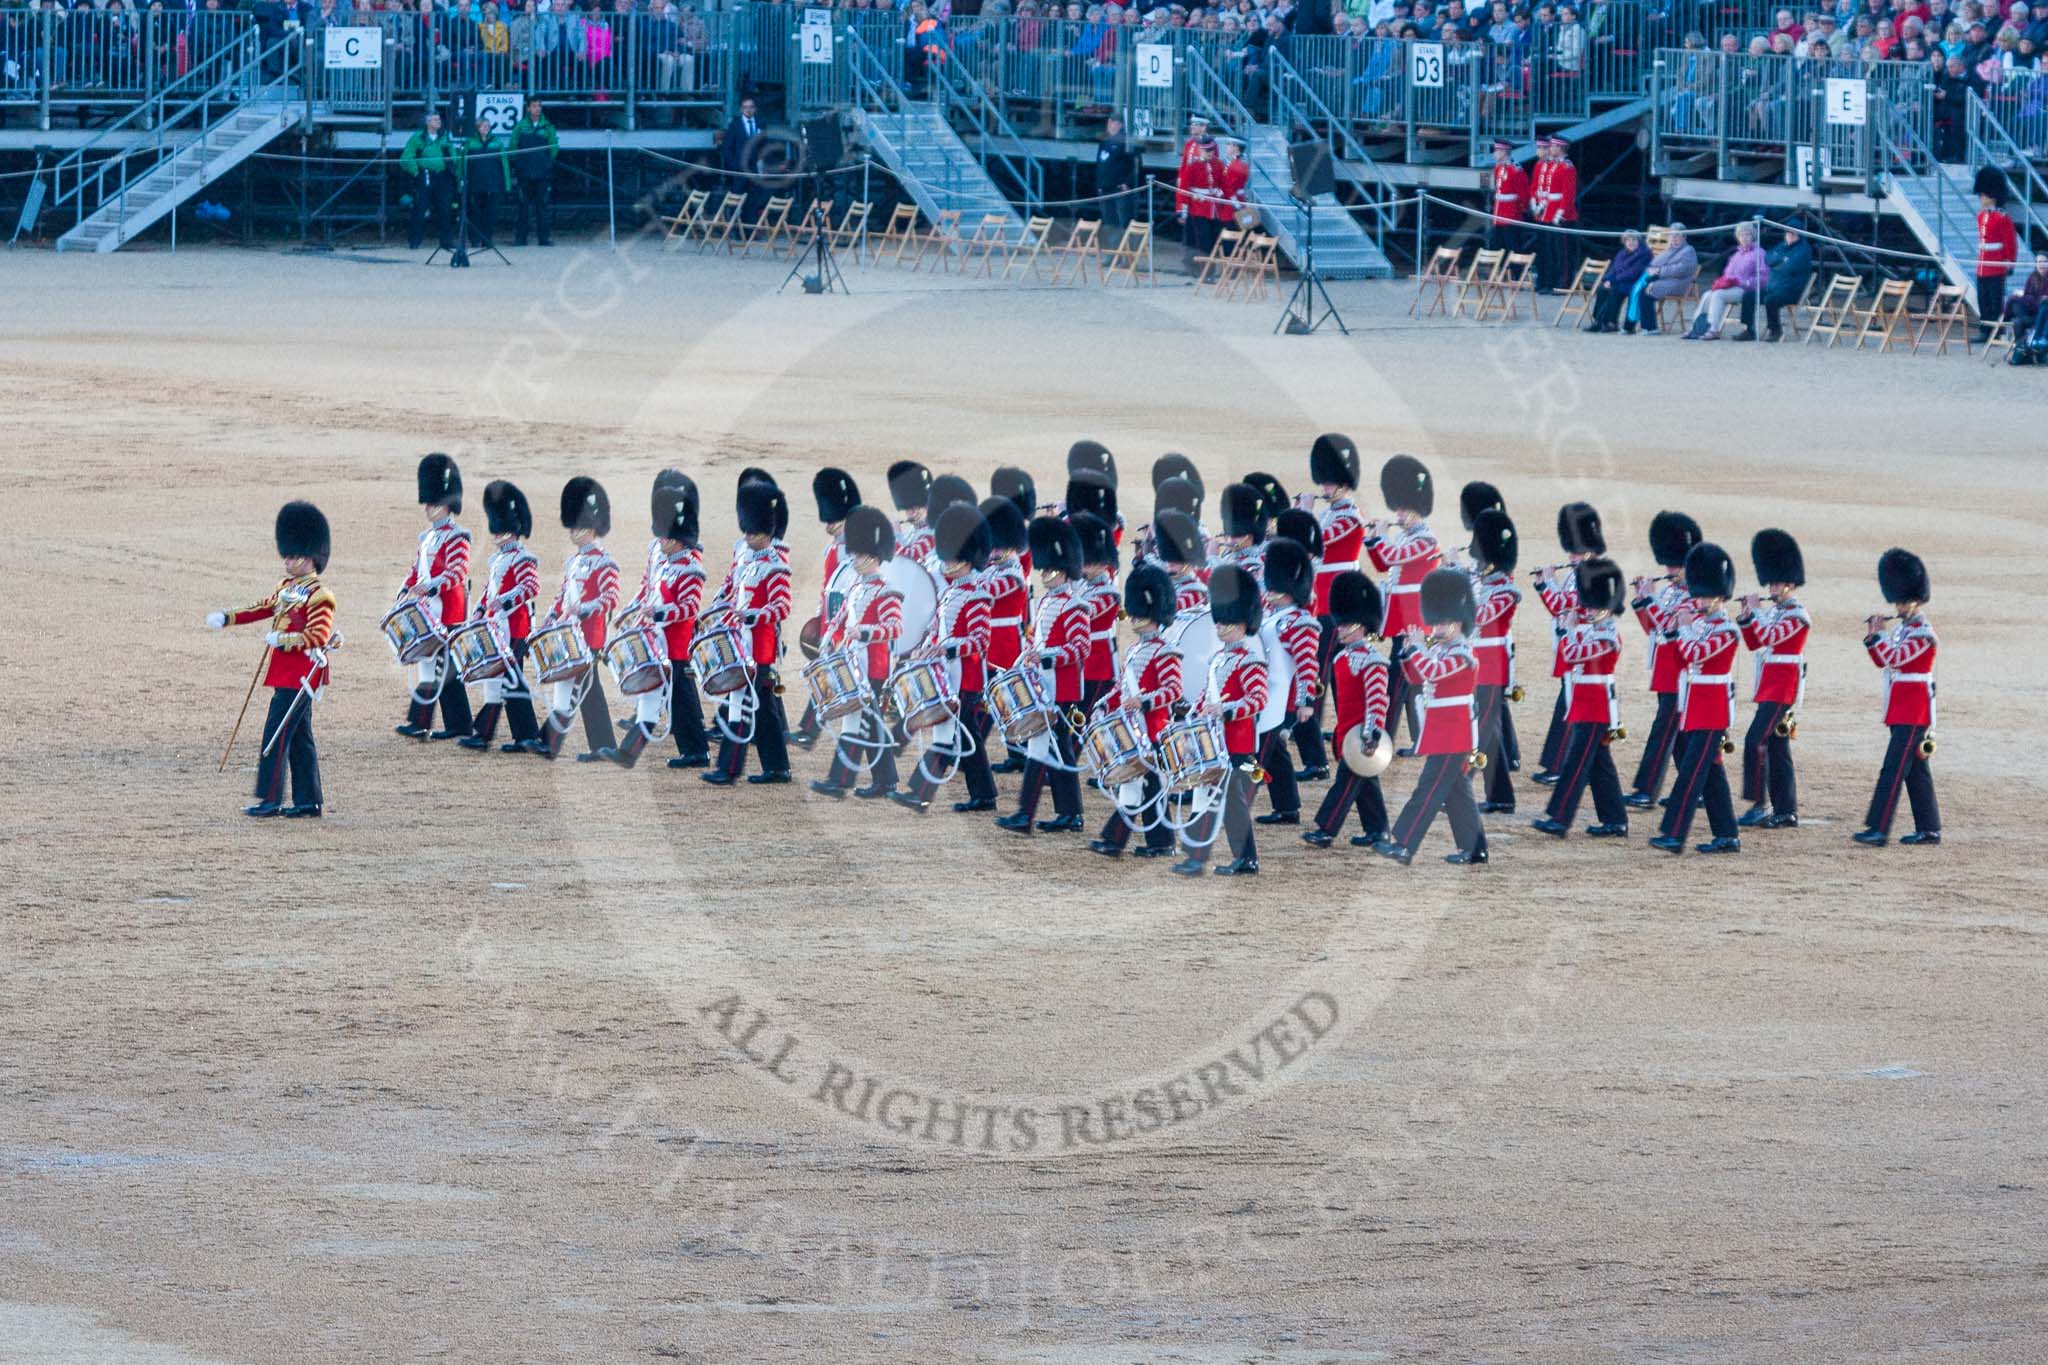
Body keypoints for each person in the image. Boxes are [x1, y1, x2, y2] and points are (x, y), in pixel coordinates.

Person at [206, 503, 335, 819]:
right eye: (287, 555)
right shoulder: (286, 588)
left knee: (275, 735)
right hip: (286, 674)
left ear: (310, 556)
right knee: (300, 737)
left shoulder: (320, 595)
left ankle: (271, 798)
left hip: (304, 674)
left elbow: (318, 636)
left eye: (294, 556)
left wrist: (285, 640)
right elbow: (262, 608)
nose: (288, 561)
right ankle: (308, 801)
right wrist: (228, 618)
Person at [1378, 569, 1489, 865]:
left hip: (1454, 732)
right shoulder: (1441, 649)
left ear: (1457, 622)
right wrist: (1406, 654)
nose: (1436, 629)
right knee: (1457, 793)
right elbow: (1418, 678)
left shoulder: (1463, 653)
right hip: (1442, 728)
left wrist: (1417, 649)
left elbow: (1433, 673)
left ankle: (1403, 843)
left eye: (1442, 624)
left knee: (1427, 790)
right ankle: (1475, 848)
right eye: (1435, 623)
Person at [896, 502, 998, 814]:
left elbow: (981, 641)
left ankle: (927, 792)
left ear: (967, 560)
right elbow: (938, 630)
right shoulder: (950, 593)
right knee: (960, 734)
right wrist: (924, 647)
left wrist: (947, 648)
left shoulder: (977, 595)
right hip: (946, 674)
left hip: (966, 676)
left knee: (960, 733)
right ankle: (979, 795)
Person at [599, 483, 704, 769]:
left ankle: (696, 752)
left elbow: (690, 608)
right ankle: (630, 753)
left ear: (678, 538)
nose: (660, 540)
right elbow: (649, 593)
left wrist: (657, 613)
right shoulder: (665, 563)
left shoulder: (691, 568)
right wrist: (631, 611)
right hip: (657, 640)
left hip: (677, 643)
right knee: (656, 697)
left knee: (682, 702)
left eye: (665, 536)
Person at [1173, 564, 1269, 877]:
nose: (1221, 627)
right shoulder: (1219, 658)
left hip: (1237, 744)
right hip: (1214, 742)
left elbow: (1258, 700)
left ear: (1243, 623)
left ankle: (1247, 859)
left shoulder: (1251, 660)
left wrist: (1226, 710)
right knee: (1204, 796)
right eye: (1220, 621)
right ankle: (1196, 856)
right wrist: (1192, 713)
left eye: (1228, 622)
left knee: (1232, 804)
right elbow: (1205, 696)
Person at [997, 517, 1091, 835]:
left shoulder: (1075, 606)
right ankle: (1071, 813)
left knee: (1041, 747)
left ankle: (1025, 814)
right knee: (1059, 748)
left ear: (1063, 569)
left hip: (1062, 688)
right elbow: (1037, 640)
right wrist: (1027, 657)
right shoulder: (1046, 601)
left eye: (1050, 569)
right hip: (1043, 684)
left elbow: (1080, 649)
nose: (1044, 573)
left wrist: (1046, 656)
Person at [1649, 542, 1742, 855]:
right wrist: (1676, 629)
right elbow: (1678, 659)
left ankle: (1675, 834)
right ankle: (1727, 835)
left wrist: (1685, 630)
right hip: (1696, 705)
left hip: (1712, 708)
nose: (1697, 600)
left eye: (1702, 596)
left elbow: (1695, 653)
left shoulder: (1727, 629)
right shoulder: (1702, 623)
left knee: (1691, 773)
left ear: (1718, 596)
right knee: (1712, 772)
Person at [1086, 564, 1183, 859]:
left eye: (1141, 612)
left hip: (1153, 727)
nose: (1135, 617)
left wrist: (1145, 702)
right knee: (1148, 787)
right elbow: (1122, 688)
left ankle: (1117, 839)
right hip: (1133, 727)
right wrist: (1105, 703)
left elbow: (1173, 690)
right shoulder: (1133, 651)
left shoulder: (1165, 651)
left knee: (1139, 784)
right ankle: (1161, 842)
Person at [1531, 557, 1630, 839]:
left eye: (1596, 604)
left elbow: (1572, 654)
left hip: (1596, 704)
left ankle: (1560, 818)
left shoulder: (1609, 635)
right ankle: (1615, 820)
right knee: (1599, 763)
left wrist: (1567, 629)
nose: (1590, 609)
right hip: (1585, 700)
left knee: (1576, 762)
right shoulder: (1595, 627)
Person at [702, 480, 793, 785]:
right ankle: (777, 768)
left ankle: (728, 770)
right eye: (747, 531)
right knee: (763, 710)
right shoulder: (745, 562)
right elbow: (731, 594)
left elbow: (782, 607)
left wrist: (752, 615)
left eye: (753, 532)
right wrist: (716, 612)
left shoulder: (776, 566)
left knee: (740, 704)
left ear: (767, 533)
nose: (748, 537)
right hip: (742, 644)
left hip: (760, 647)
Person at [813, 505, 905, 800]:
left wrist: (864, 633)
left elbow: (894, 628)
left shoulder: (886, 590)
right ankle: (849, 780)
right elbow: (842, 615)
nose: (854, 558)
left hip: (874, 664)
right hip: (854, 661)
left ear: (874, 557)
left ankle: (860, 780)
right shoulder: (856, 585)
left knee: (867, 722)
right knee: (859, 721)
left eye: (860, 554)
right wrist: (829, 637)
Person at [526, 477, 619, 761]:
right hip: (568, 633)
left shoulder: (605, 563)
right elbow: (563, 596)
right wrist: (551, 616)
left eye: (577, 527)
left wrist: (585, 609)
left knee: (585, 691)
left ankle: (592, 745)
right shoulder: (574, 562)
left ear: (591, 529)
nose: (573, 532)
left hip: (589, 636)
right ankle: (559, 743)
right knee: (573, 688)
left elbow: (610, 598)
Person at [1854, 550, 1941, 847]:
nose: (1900, 606)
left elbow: (1894, 658)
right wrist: (1873, 637)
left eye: (1904, 601)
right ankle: (1929, 828)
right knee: (1916, 770)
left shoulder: (1923, 633)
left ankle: (1879, 828)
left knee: (1893, 769)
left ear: (1916, 600)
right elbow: (1883, 661)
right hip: (1901, 706)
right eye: (1898, 601)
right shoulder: (1904, 629)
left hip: (1914, 709)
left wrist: (1879, 636)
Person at [1303, 572, 1389, 850]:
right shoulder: (1342, 657)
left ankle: (1326, 828)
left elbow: (1377, 701)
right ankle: (1377, 830)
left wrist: (1372, 733)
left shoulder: (1372, 660)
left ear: (1361, 626)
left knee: (1346, 784)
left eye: (1345, 624)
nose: (1338, 629)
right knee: (1366, 785)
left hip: (1362, 735)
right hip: (1347, 732)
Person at [459, 479, 544, 754]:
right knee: (498, 679)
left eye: (501, 528)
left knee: (510, 680)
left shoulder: (522, 558)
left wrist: (503, 601)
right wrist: (481, 609)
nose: (496, 534)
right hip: (498, 626)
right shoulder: (497, 559)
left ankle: (523, 735)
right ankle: (491, 734)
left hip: (516, 628)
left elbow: (531, 587)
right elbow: (489, 590)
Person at [394, 453, 474, 741]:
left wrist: (428, 588)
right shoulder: (427, 538)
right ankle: (457, 724)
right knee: (440, 668)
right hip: (430, 608)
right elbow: (417, 570)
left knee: (438, 667)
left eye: (434, 503)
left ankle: (424, 722)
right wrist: (405, 590)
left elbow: (457, 572)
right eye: (428, 502)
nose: (428, 508)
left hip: (448, 610)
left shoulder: (457, 537)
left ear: (447, 505)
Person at [1624, 510, 1701, 809]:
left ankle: (1646, 789)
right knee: (1681, 736)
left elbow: (1670, 629)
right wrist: (1642, 602)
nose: (1670, 570)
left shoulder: (1694, 595)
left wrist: (1649, 600)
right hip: (1664, 669)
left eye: (1676, 565)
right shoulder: (1670, 591)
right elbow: (1652, 629)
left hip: (1680, 672)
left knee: (1663, 732)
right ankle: (1696, 788)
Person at [1364, 454, 1441, 749]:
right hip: (1400, 614)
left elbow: (1392, 558)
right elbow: (1384, 566)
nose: (1398, 515)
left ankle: (1386, 735)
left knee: (1399, 679)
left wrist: (1381, 537)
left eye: (1402, 510)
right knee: (1409, 682)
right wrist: (1371, 539)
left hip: (1415, 618)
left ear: (1416, 510)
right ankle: (1420, 736)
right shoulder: (1407, 536)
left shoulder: (1426, 541)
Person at [1735, 529, 1809, 830]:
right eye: (1771, 582)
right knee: (1778, 747)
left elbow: (1768, 635)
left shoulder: (1797, 614)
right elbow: (1756, 642)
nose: (1772, 586)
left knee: (1755, 740)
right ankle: (1785, 810)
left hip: (1784, 685)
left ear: (1790, 584)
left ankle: (1759, 804)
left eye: (1777, 582)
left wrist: (1756, 613)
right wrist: (1746, 617)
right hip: (1770, 682)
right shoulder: (1777, 611)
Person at [1533, 501, 1603, 783]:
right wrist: (1546, 582)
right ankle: (1558, 763)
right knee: (1568, 701)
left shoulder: (1589, 574)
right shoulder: (1581, 572)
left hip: (1582, 646)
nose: (1572, 556)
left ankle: (1560, 765)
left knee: (1571, 703)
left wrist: (1547, 582)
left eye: (1577, 551)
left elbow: (1562, 607)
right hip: (1573, 641)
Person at [1254, 538, 1321, 827]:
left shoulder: (1299, 621)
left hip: (1279, 697)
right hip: (1263, 693)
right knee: (1274, 754)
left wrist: (1306, 702)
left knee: (1259, 750)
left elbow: (1308, 664)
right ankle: (1287, 807)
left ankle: (1237, 800)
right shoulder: (1273, 616)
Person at [794, 467, 860, 750]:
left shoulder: (859, 547)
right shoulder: (833, 549)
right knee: (826, 669)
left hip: (851, 621)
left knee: (845, 678)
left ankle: (810, 730)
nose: (829, 526)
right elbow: (828, 587)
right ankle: (809, 729)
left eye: (834, 520)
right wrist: (823, 617)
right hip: (834, 619)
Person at [1467, 507, 1521, 813]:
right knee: (1488, 731)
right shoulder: (1482, 583)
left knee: (1485, 729)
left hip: (1493, 665)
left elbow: (1478, 617)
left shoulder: (1506, 592)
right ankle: (1501, 797)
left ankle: (1463, 787)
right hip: (1478, 664)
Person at [977, 492, 1032, 784]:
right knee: (994, 698)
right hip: (990, 640)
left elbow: (986, 593)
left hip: (1007, 642)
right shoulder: (992, 567)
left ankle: (1015, 750)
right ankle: (1013, 751)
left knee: (1003, 698)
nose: (993, 551)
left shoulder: (1013, 574)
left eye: (998, 546)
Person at [1684, 221, 1769, 340]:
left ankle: (1713, 329)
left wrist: (1744, 282)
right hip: (1731, 287)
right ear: (1738, 237)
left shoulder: (1759, 253)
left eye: (1747, 235)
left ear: (1753, 236)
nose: (1744, 238)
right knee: (1708, 294)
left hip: (1746, 289)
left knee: (1718, 295)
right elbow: (1727, 273)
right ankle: (1696, 327)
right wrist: (1725, 281)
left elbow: (1764, 278)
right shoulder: (1736, 255)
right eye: (1741, 235)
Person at [1527, 135, 1578, 293]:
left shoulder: (1567, 167)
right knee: (1545, 250)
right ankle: (1546, 281)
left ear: (1560, 148)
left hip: (1560, 216)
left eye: (1553, 146)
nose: (1550, 149)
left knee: (1560, 254)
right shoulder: (1549, 165)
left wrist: (1559, 215)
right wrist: (1537, 205)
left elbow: (1568, 194)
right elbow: (1541, 189)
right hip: (1545, 212)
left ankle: (1560, 284)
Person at [401, 112, 457, 251]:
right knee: (420, 208)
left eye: (439, 119)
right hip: (425, 176)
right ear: (427, 123)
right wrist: (416, 171)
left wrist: (452, 168)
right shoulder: (418, 138)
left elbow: (453, 154)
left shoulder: (445, 137)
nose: (438, 122)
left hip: (443, 176)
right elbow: (406, 157)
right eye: (435, 119)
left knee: (445, 209)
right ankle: (415, 241)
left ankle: (446, 241)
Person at [1628, 222, 1698, 333]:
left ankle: (1650, 328)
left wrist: (1660, 271)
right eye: (1671, 235)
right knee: (1638, 287)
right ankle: (1631, 325)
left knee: (1646, 291)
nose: (1674, 238)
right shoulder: (1669, 249)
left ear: (1684, 237)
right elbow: (1654, 263)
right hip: (1665, 279)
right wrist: (1652, 270)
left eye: (1677, 236)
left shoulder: (1689, 250)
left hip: (1679, 283)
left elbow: (1681, 270)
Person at [1975, 166, 2018, 342]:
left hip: (1996, 265)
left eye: (1982, 195)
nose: (1980, 198)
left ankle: (1995, 331)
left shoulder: (2002, 217)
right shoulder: (1981, 216)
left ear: (1991, 196)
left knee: (1995, 301)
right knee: (1983, 299)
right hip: (1983, 264)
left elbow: (2010, 242)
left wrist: (2010, 262)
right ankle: (1984, 330)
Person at [511, 95, 558, 246]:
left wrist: (545, 164)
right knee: (523, 206)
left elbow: (554, 148)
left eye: (539, 105)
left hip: (542, 174)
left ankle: (543, 239)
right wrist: (519, 165)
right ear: (528, 108)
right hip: (524, 174)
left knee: (542, 206)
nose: (537, 108)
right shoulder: (520, 126)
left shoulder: (548, 127)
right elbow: (513, 147)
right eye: (534, 106)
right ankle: (520, 239)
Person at [461, 113, 512, 249]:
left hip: (493, 185)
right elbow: (463, 165)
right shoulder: (469, 142)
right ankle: (474, 240)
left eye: (488, 126)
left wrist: (507, 184)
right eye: (484, 126)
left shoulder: (497, 142)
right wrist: (462, 183)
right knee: (474, 213)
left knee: (490, 214)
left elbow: (504, 164)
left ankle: (487, 239)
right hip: (475, 185)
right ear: (477, 127)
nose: (486, 128)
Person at [1585, 229, 1651, 332]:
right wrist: (1607, 280)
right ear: (1624, 242)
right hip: (1620, 281)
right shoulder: (1621, 253)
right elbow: (1613, 269)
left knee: (1615, 290)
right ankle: (1598, 321)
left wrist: (1613, 281)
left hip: (1634, 283)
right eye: (1628, 240)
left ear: (1639, 241)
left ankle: (1611, 323)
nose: (1631, 242)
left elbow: (1634, 272)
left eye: (1634, 240)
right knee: (1602, 289)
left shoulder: (1645, 254)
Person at [1758, 226, 1815, 341]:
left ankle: (1775, 330)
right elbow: (1768, 258)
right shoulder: (1782, 245)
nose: (1789, 236)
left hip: (1792, 291)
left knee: (1770, 300)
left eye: (1793, 234)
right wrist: (1782, 260)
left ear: (1799, 235)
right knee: (1750, 295)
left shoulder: (1804, 249)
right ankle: (1749, 329)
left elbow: (1790, 267)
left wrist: (1777, 264)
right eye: (1787, 233)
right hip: (1775, 287)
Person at [1176, 135, 1226, 264]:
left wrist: (1220, 192)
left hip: (1214, 208)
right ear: (1201, 150)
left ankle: (1209, 270)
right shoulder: (1193, 166)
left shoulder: (1218, 164)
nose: (1210, 153)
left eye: (1211, 150)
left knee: (1213, 239)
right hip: (1197, 208)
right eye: (1207, 151)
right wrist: (1183, 210)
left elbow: (1222, 184)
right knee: (1202, 240)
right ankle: (1204, 271)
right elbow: (1184, 189)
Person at [1096, 116, 1142, 236]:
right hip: (1105, 188)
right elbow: (1100, 164)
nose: (1110, 125)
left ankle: (1126, 250)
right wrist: (1099, 184)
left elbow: (1136, 165)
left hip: (1120, 189)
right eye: (1109, 122)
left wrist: (1128, 183)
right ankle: (1114, 250)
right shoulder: (1104, 142)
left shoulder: (1126, 142)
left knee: (1123, 220)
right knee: (1109, 220)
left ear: (1120, 124)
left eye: (1113, 122)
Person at [1486, 139, 1529, 253]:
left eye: (1496, 150)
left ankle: (1516, 271)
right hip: (1498, 215)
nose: (1494, 153)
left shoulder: (1516, 170)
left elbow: (1523, 195)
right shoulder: (1498, 168)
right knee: (1495, 246)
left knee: (1513, 248)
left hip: (1511, 216)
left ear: (1504, 152)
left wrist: (1520, 211)